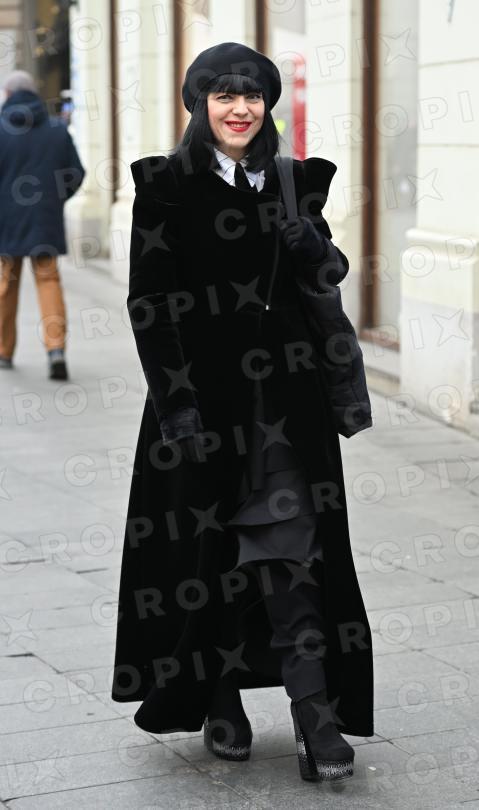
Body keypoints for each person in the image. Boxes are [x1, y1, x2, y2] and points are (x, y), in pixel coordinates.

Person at [111, 42, 374, 784]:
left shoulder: (292, 181)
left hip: (287, 412)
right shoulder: (165, 187)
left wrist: (311, 243)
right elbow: (149, 306)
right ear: (199, 105)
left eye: (252, 95)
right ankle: (218, 697)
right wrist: (177, 408)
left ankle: (314, 715)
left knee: (295, 553)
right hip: (198, 409)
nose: (240, 108)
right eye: (223, 95)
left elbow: (326, 277)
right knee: (212, 559)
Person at [0, 70, 85, 380]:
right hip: (43, 219)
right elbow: (76, 173)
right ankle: (56, 350)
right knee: (48, 281)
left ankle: (4, 351)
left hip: (6, 221)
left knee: (5, 285)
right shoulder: (56, 129)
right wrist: (54, 199)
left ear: (8, 95)